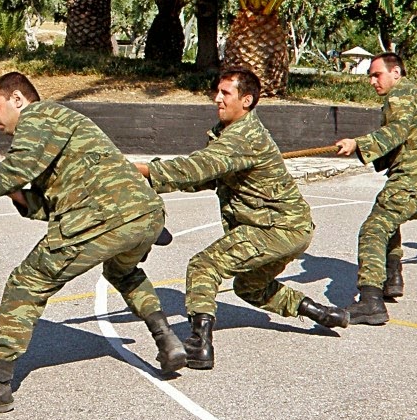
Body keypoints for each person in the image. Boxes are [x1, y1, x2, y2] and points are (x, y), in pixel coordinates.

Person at [0, 71, 185, 409]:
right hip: (144, 214)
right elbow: (49, 198)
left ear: (17, 100)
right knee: (123, 272)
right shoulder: (60, 123)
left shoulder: (37, 116)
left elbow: (18, 168)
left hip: (100, 218)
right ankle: (167, 340)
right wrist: (12, 193)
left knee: (26, 282)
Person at [137, 70, 349, 369]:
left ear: (246, 100)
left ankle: (199, 345)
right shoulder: (229, 133)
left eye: (226, 93)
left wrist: (144, 170)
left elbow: (198, 167)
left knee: (203, 265)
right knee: (250, 287)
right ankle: (322, 313)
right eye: (218, 92)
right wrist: (152, 179)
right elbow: (205, 176)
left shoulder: (243, 136)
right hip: (291, 228)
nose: (217, 98)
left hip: (275, 228)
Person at [335, 52, 417, 326]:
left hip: (416, 179)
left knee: (373, 229)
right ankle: (392, 277)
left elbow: (398, 131)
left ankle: (370, 302)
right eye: (370, 75)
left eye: (377, 74)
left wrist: (359, 144)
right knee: (390, 220)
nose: (372, 81)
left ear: (396, 73)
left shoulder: (400, 95)